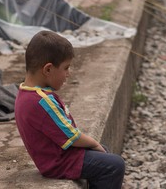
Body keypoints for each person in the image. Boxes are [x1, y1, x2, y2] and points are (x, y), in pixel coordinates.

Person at [14, 30, 125, 189]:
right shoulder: (42, 101)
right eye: (66, 68)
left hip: (54, 157)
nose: (68, 74)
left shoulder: (25, 93)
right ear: (48, 69)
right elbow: (71, 136)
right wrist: (94, 144)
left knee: (105, 154)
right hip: (58, 161)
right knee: (115, 165)